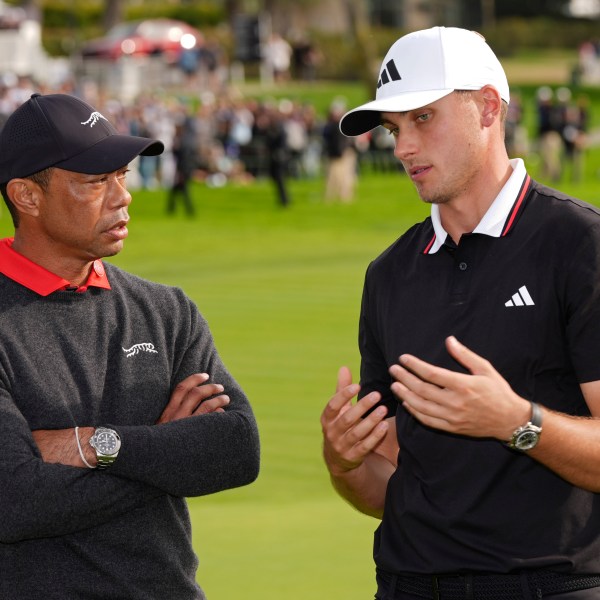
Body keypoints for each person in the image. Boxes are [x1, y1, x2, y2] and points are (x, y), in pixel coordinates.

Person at [320, 26, 600, 600]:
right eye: (395, 129)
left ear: (488, 108)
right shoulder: (388, 274)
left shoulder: (579, 244)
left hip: (549, 585)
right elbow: (388, 483)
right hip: (407, 586)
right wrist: (344, 464)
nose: (402, 149)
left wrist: (516, 421)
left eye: (423, 118)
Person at [0, 93, 260, 599]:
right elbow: (14, 502)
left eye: (121, 175)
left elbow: (236, 449)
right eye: (96, 181)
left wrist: (98, 444)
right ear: (27, 197)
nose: (124, 196)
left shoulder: (166, 309)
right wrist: (164, 449)